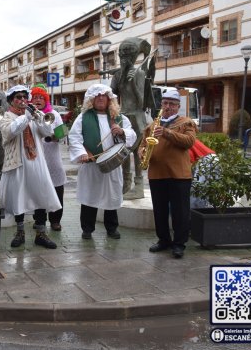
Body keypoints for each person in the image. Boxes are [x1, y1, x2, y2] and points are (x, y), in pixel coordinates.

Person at [68, 84, 137, 240]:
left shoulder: (118, 117)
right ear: (92, 99)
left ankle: (112, 228)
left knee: (111, 196)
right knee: (89, 197)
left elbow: (132, 134)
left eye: (104, 95)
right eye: (97, 96)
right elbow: (74, 137)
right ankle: (87, 229)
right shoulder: (83, 117)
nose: (100, 98)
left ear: (109, 99)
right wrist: (82, 153)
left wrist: (122, 131)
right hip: (91, 166)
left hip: (112, 166)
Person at [0, 85, 62, 249]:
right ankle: (20, 232)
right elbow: (11, 131)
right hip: (18, 163)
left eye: (24, 97)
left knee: (40, 195)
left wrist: (39, 118)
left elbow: (48, 132)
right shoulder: (6, 116)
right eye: (18, 97)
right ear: (11, 100)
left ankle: (41, 233)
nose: (22, 100)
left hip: (36, 162)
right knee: (19, 196)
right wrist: (27, 116)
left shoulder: (33, 115)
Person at [139, 89, 196, 258]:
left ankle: (179, 244)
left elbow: (189, 142)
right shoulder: (151, 126)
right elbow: (142, 145)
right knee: (160, 210)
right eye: (165, 103)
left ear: (178, 106)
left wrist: (166, 132)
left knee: (180, 211)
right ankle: (163, 240)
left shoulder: (186, 123)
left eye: (172, 104)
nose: (168, 107)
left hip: (179, 175)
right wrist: (141, 152)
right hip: (157, 174)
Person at [110, 37, 155, 199]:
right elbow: (112, 96)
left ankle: (139, 186)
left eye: (127, 56)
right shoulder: (117, 75)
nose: (124, 59)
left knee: (137, 152)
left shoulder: (140, 73)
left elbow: (143, 102)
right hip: (123, 117)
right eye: (121, 56)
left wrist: (133, 82)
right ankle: (126, 183)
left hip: (137, 116)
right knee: (124, 151)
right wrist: (120, 78)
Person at [29, 84, 67, 231]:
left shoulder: (55, 115)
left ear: (46, 100)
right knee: (38, 191)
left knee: (57, 190)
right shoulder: (28, 115)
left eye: (41, 97)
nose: (38, 100)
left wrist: (57, 137)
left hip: (53, 159)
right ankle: (39, 220)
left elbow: (63, 134)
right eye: (35, 97)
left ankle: (55, 220)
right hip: (35, 159)